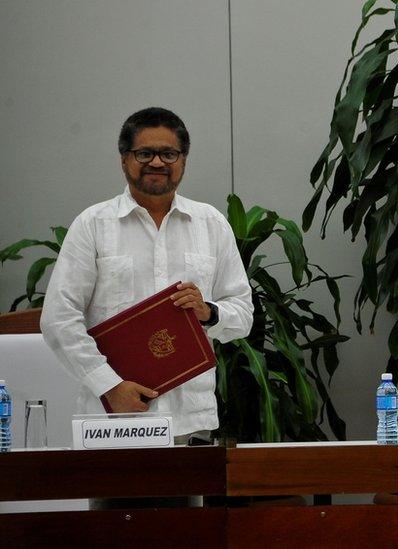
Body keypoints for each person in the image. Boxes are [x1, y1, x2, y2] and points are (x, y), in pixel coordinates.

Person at [40, 107, 254, 443]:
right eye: (144, 153)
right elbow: (58, 318)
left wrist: (208, 312)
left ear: (183, 160)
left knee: (186, 497)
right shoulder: (93, 225)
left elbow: (243, 313)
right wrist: (109, 386)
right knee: (116, 498)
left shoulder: (210, 224)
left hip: (190, 418)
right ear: (124, 159)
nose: (157, 162)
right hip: (111, 418)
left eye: (169, 153)